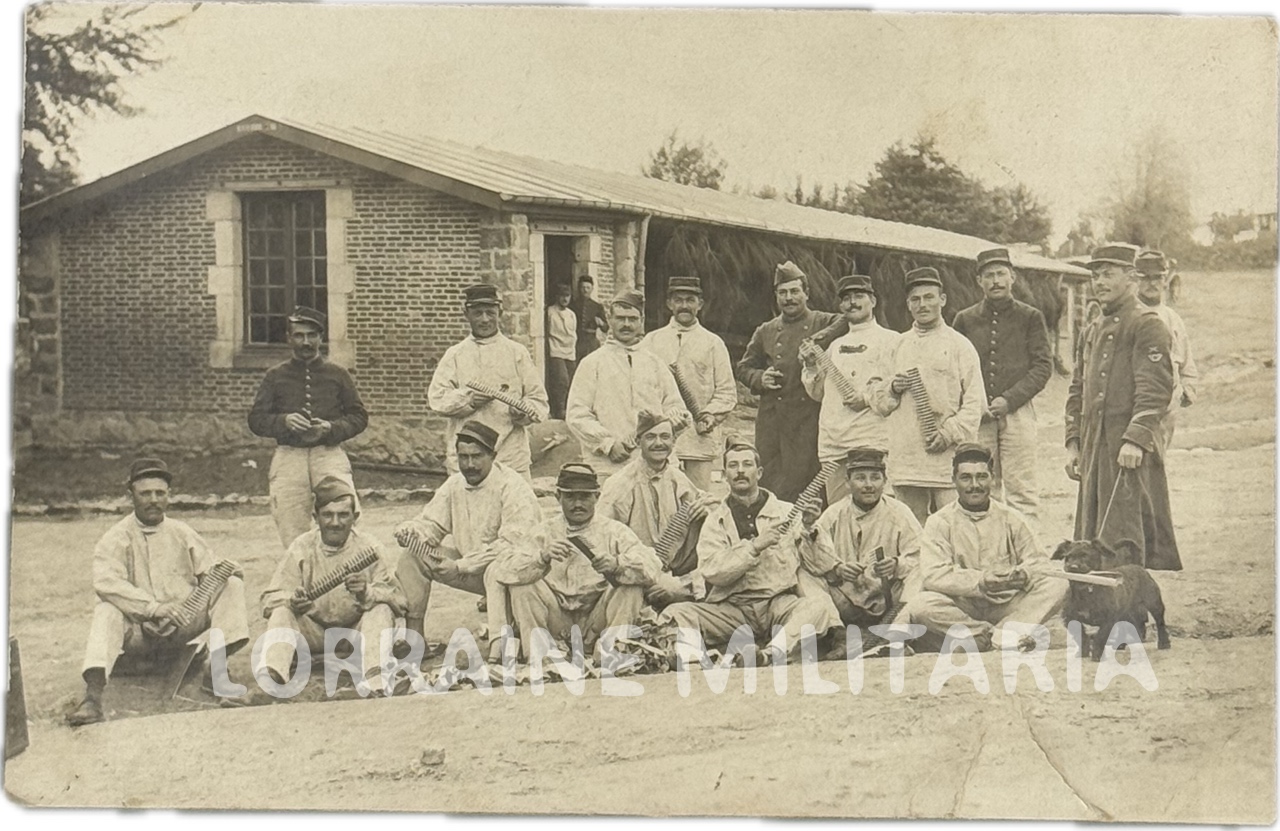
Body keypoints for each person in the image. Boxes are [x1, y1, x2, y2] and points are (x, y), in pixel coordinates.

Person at [68, 459, 251, 726]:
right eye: (145, 493)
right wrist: (154, 608)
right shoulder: (116, 537)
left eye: (160, 493)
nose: (154, 500)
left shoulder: (181, 532)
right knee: (106, 610)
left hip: (182, 625)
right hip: (138, 633)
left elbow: (209, 572)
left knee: (231, 584)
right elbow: (107, 583)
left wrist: (226, 570)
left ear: (169, 495)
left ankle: (217, 674)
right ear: (131, 495)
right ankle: (92, 698)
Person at [659, 440, 840, 663]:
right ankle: (699, 659)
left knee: (818, 606)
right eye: (733, 466)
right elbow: (713, 572)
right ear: (724, 476)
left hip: (777, 603)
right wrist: (754, 547)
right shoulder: (715, 521)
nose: (740, 471)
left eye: (747, 464)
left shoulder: (787, 512)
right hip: (733, 609)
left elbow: (822, 565)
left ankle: (768, 655)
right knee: (676, 613)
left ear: (759, 472)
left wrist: (810, 528)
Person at [1065, 244, 1182, 570]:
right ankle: (1100, 596)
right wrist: (1073, 442)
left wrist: (1135, 439)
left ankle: (1128, 600)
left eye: (1108, 274)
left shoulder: (1147, 324)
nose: (1099, 282)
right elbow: (1078, 387)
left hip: (1126, 448)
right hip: (1094, 448)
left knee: (1125, 533)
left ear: (1131, 277)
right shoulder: (1091, 329)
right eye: (1095, 276)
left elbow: (1155, 389)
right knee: (1094, 536)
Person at [393, 421, 541, 658]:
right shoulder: (454, 484)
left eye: (477, 456)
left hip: (514, 575)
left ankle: (506, 639)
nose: (470, 465)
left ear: (493, 455)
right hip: (469, 567)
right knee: (413, 557)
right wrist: (412, 532)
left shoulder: (513, 487)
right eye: (464, 457)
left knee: (498, 569)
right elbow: (432, 524)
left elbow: (511, 546)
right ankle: (415, 640)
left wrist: (461, 566)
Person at [490, 463, 664, 661]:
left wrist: (617, 564)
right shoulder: (543, 531)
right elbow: (504, 569)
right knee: (523, 585)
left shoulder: (614, 531)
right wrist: (541, 558)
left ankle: (611, 652)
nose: (578, 504)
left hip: (596, 620)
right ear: (558, 497)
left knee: (630, 587)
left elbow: (653, 567)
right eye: (570, 497)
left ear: (596, 497)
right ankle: (541, 656)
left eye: (585, 497)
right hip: (557, 621)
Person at [907, 444, 1067, 651]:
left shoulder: (1012, 518)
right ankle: (993, 634)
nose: (975, 485)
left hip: (1007, 605)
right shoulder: (939, 522)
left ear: (992, 478)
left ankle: (994, 636)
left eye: (982, 477)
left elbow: (1039, 562)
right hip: (962, 607)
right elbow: (934, 575)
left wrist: (1024, 573)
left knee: (1059, 583)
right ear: (954, 480)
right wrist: (980, 580)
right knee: (921, 605)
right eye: (966, 478)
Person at [259, 477, 408, 694]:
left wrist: (367, 592)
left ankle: (376, 683)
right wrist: (292, 600)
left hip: (357, 634)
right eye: (328, 515)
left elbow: (399, 600)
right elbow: (268, 599)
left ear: (355, 517)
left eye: (343, 515)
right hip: (315, 634)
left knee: (381, 609)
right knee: (281, 612)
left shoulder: (370, 547)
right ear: (316, 517)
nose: (335, 523)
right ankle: (272, 680)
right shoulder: (302, 547)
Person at [870, 267, 986, 524]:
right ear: (908, 304)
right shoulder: (896, 345)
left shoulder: (960, 345)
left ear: (942, 300)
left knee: (955, 525)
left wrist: (948, 434)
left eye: (929, 297)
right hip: (907, 460)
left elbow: (975, 403)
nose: (922, 304)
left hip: (948, 459)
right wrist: (892, 388)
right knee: (910, 529)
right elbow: (876, 400)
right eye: (915, 299)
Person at [248, 306, 368, 550]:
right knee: (291, 524)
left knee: (344, 515)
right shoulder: (275, 376)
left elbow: (358, 417)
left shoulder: (338, 374)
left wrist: (331, 428)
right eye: (299, 335)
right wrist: (283, 421)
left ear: (321, 337)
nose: (306, 342)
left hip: (328, 455)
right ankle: (301, 570)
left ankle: (345, 568)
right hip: (289, 458)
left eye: (312, 335)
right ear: (289, 338)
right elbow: (256, 420)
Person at [951, 248, 1054, 521]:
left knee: (1022, 491)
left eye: (1000, 274)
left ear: (1012, 277)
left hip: (1018, 414)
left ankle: (1026, 546)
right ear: (979, 281)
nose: (995, 281)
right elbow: (954, 369)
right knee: (981, 488)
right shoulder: (964, 319)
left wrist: (1009, 399)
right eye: (988, 275)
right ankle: (988, 544)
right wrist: (976, 403)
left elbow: (1043, 366)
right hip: (978, 416)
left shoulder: (1030, 317)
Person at [736, 261, 842, 503]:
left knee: (810, 489)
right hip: (773, 422)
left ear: (806, 293)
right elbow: (743, 368)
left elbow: (846, 320)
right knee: (773, 484)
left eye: (795, 291)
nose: (789, 298)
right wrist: (760, 378)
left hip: (809, 421)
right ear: (776, 296)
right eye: (782, 293)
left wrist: (816, 340)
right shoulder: (766, 330)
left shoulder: (822, 321)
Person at [598, 411, 719, 609]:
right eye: (651, 437)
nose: (658, 443)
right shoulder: (620, 484)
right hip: (635, 570)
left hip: (674, 570)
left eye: (665, 437)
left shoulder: (677, 478)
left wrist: (705, 508)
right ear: (638, 442)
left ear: (673, 442)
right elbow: (602, 534)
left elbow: (708, 502)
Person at [428, 284, 550, 480]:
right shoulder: (455, 355)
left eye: (490, 313)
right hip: (468, 459)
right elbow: (437, 399)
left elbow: (539, 401)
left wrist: (522, 413)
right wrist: (468, 400)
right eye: (478, 313)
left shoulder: (516, 353)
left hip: (510, 456)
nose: (485, 319)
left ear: (499, 313)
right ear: (466, 314)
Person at [799, 273, 900, 505]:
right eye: (846, 298)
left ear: (873, 301)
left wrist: (866, 398)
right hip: (834, 444)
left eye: (859, 296)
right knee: (839, 511)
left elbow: (898, 389)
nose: (852, 302)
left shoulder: (892, 341)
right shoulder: (835, 345)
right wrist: (811, 365)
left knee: (877, 509)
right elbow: (818, 394)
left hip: (873, 440)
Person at [797, 447, 922, 631]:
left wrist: (896, 565)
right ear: (847, 482)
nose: (868, 485)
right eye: (860, 478)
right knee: (804, 574)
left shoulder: (900, 512)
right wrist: (837, 569)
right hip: (844, 599)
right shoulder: (834, 513)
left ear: (885, 481)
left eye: (875, 477)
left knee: (920, 572)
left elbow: (919, 556)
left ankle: (897, 628)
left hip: (888, 600)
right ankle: (836, 631)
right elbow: (812, 561)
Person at [566, 290, 690, 477]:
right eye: (620, 318)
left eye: (632, 319)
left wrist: (675, 420)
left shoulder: (655, 363)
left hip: (653, 465)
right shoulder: (592, 363)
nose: (626, 324)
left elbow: (674, 405)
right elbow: (577, 415)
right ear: (610, 320)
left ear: (641, 321)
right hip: (609, 467)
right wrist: (608, 444)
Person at [640, 275, 738, 489]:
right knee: (659, 494)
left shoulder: (713, 343)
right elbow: (641, 389)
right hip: (660, 439)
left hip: (699, 437)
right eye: (678, 300)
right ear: (669, 303)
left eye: (690, 300)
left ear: (700, 304)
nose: (684, 306)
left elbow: (727, 391)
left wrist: (709, 415)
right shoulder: (651, 341)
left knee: (698, 500)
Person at [1135, 249, 1199, 447]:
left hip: (1167, 411)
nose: (1152, 283)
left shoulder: (1173, 319)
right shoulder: (1130, 316)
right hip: (1135, 408)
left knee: (1159, 461)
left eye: (1157, 277)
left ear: (1165, 281)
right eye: (1145, 278)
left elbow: (1187, 364)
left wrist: (1185, 392)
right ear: (1136, 280)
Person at [545, 283, 578, 420]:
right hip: (556, 350)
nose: (565, 299)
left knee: (571, 381)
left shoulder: (571, 314)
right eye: (562, 296)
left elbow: (573, 333)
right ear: (557, 297)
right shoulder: (550, 312)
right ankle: (559, 409)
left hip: (570, 351)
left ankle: (569, 408)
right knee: (561, 380)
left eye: (567, 296)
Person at [570, 275, 609, 360]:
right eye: (583, 287)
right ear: (579, 288)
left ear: (592, 289)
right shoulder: (573, 305)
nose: (585, 290)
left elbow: (606, 328)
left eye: (588, 288)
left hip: (592, 342)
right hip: (577, 341)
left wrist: (601, 323)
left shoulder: (597, 306)